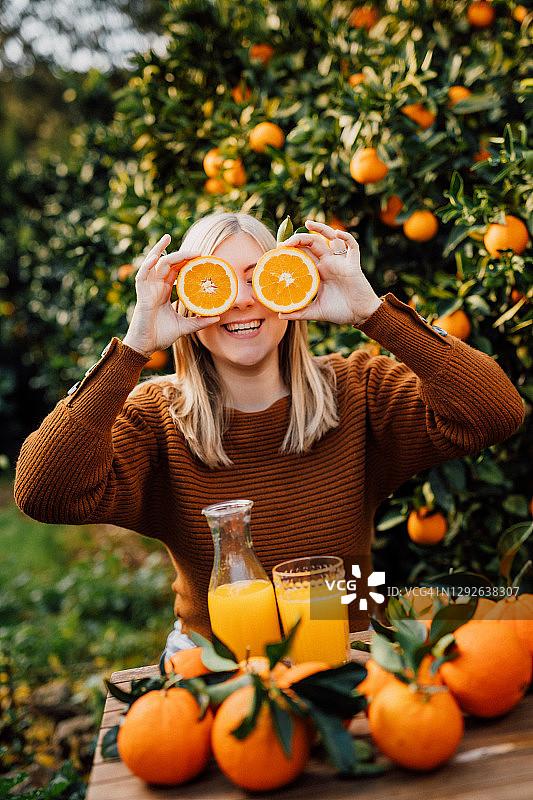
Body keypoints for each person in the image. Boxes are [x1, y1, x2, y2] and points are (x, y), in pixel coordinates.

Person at [14, 212, 524, 659]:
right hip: (217, 668)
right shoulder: (156, 420)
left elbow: (496, 411)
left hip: (345, 654)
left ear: (292, 286)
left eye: (260, 280)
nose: (239, 301)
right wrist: (133, 348)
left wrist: (374, 313)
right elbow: (44, 492)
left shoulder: (357, 391)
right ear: (185, 300)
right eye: (214, 283)